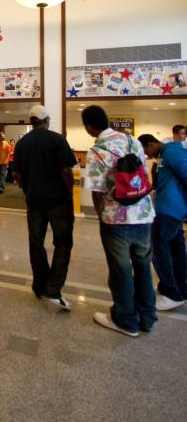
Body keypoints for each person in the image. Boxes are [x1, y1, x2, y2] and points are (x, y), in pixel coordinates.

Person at [82, 105, 155, 337]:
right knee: (143, 266)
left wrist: (103, 217)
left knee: (121, 269)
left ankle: (125, 320)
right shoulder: (133, 141)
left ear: (89, 127)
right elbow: (143, 172)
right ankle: (147, 317)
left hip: (117, 218)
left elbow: (96, 190)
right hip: (144, 214)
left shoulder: (97, 150)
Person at [13, 105, 77, 310]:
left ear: (32, 122)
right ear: (47, 120)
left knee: (36, 242)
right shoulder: (57, 140)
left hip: (34, 201)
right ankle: (53, 287)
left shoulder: (22, 143)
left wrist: (29, 191)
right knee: (63, 242)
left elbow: (17, 176)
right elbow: (67, 171)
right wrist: (69, 194)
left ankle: (40, 285)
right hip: (58, 201)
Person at [137, 133, 187, 311]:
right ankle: (181, 288)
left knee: (159, 248)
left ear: (151, 144)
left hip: (169, 209)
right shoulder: (165, 154)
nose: (146, 155)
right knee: (176, 248)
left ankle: (172, 293)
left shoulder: (171, 151)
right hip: (171, 208)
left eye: (145, 150)